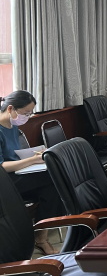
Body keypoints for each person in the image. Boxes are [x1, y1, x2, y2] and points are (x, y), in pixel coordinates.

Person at [0, 91, 65, 255]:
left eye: (30, 114)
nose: (27, 117)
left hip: (17, 174)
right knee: (51, 179)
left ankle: (41, 237)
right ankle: (41, 238)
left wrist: (35, 155)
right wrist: (32, 160)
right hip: (5, 181)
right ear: (10, 109)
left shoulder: (12, 126)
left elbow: (14, 155)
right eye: (26, 113)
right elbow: (2, 166)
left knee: (52, 186)